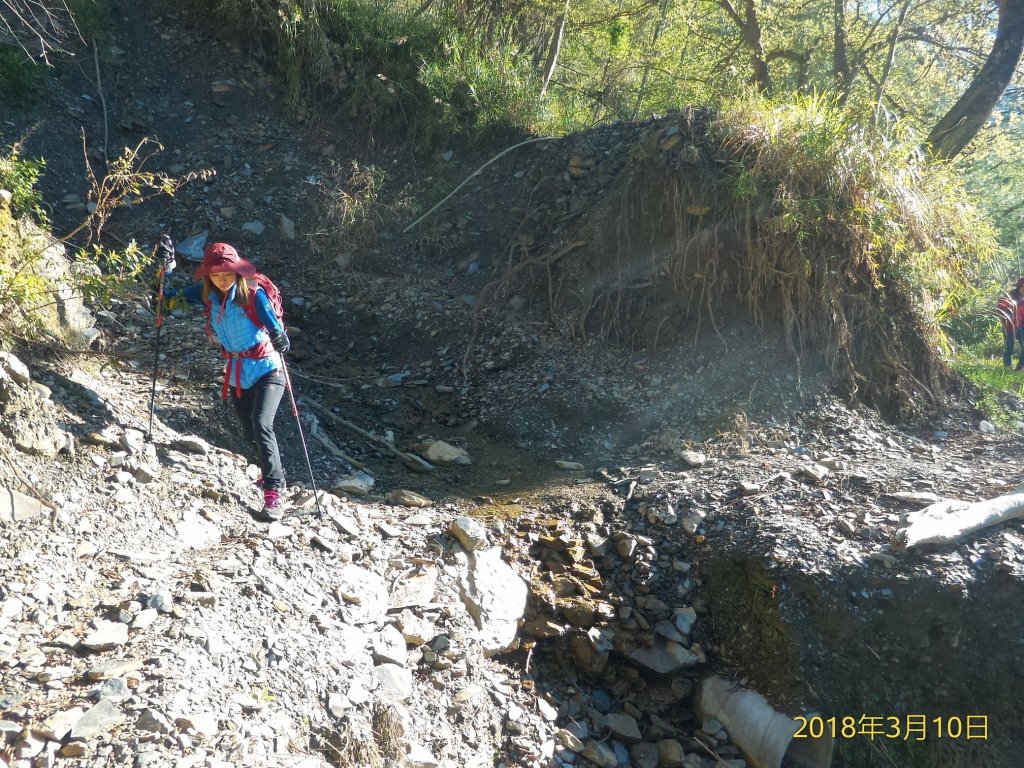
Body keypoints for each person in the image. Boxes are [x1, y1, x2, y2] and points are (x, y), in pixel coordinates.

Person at [160, 239, 292, 521]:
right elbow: (168, 298)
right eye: (217, 275)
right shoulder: (205, 293)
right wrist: (167, 268)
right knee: (249, 433)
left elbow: (274, 327)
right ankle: (273, 471)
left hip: (269, 369)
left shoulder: (253, 294)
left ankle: (274, 493)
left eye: (227, 275)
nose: (222, 280)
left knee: (262, 424)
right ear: (208, 275)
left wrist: (281, 337)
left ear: (238, 273)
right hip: (238, 374)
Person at [997, 277, 1024, 371]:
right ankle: (1007, 366)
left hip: (1021, 326)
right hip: (1009, 326)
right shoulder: (1009, 297)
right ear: (1020, 287)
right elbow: (1001, 309)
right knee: (1010, 348)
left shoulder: (1023, 299)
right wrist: (1009, 315)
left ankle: (1020, 367)